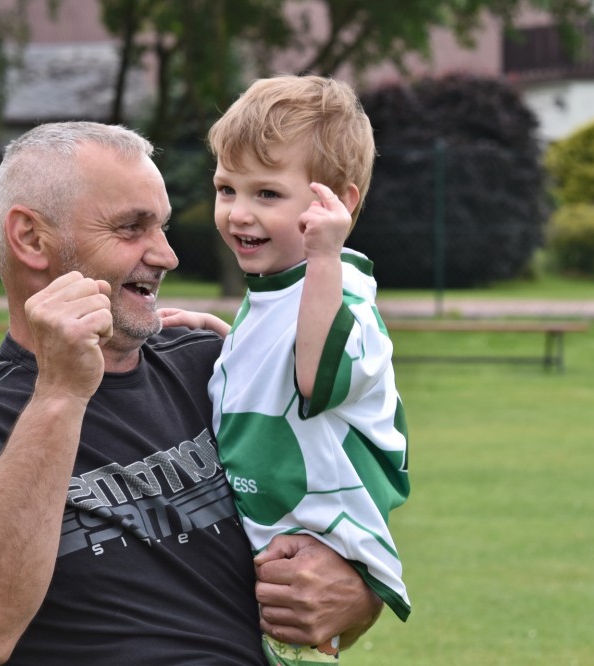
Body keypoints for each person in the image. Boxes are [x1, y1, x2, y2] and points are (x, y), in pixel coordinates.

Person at [0, 121, 382, 666]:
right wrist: (60, 395)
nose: (166, 255)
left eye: (162, 227)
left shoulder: (213, 368)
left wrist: (356, 595)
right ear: (31, 239)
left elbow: (340, 515)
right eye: (131, 228)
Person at [160, 75, 411, 665]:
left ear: (337, 204)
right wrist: (229, 340)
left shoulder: (340, 290)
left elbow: (315, 377)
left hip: (314, 558)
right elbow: (283, 368)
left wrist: (325, 254)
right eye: (227, 188)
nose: (238, 213)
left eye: (267, 194)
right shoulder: (281, 288)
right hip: (270, 548)